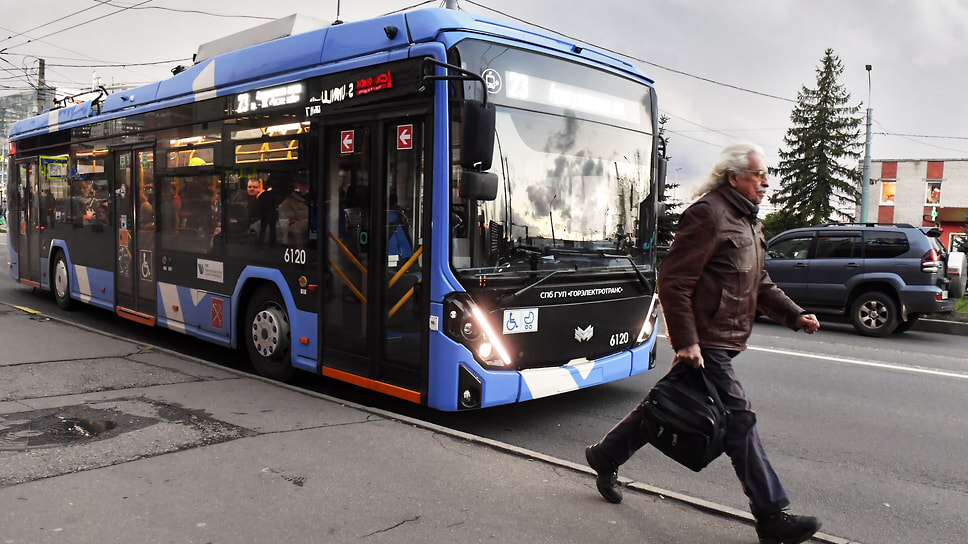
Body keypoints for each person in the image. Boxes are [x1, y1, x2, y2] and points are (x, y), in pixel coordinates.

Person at [585, 142, 823, 544]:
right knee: (740, 420)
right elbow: (674, 280)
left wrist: (794, 315)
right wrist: (686, 341)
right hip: (706, 340)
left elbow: (758, 281)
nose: (766, 182)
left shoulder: (748, 220)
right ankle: (771, 516)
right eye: (758, 174)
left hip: (721, 338)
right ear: (734, 177)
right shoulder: (708, 214)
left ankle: (606, 455)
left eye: (767, 174)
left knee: (663, 403)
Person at [278, 170, 311, 246]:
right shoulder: (287, 203)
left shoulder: (312, 200)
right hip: (294, 245)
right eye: (301, 183)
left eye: (306, 183)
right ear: (295, 185)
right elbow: (288, 228)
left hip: (312, 244)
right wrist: (311, 222)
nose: (304, 186)